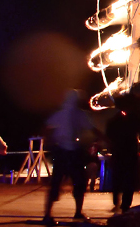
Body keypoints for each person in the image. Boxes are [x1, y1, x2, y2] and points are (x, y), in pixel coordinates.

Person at [44, 90, 99, 225]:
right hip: (73, 152)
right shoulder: (80, 114)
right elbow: (92, 129)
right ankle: (77, 212)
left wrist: (50, 142)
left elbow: (47, 128)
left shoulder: (60, 113)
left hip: (62, 151)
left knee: (56, 183)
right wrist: (105, 139)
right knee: (79, 182)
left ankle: (47, 215)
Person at [106, 93, 140, 212]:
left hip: (118, 152)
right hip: (129, 153)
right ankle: (125, 203)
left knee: (118, 178)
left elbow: (108, 136)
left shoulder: (113, 120)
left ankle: (118, 201)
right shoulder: (134, 119)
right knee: (128, 178)